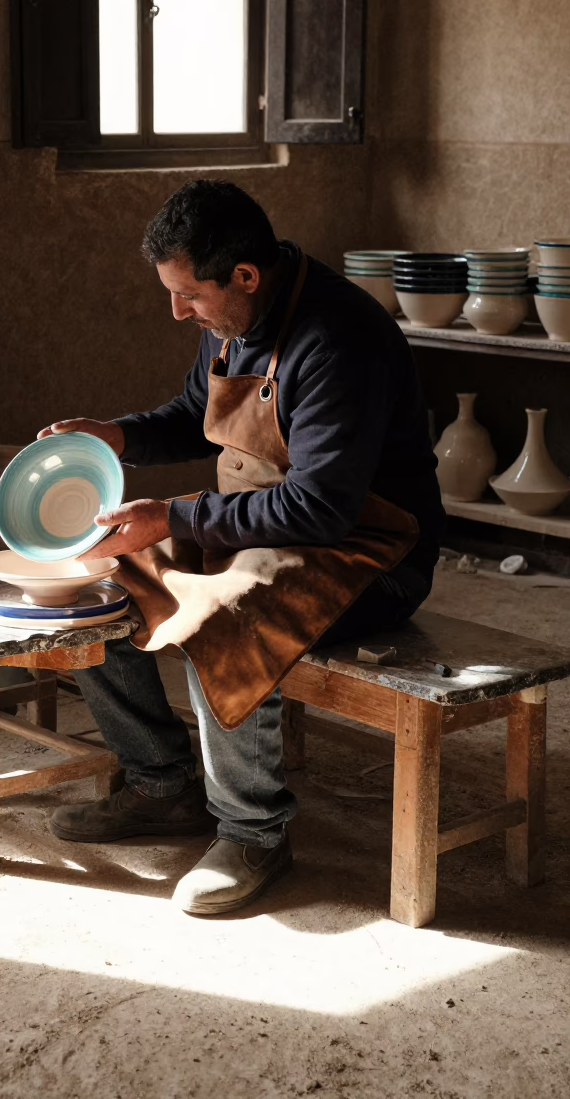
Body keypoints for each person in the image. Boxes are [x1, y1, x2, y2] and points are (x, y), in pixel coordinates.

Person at [38, 180, 444, 916]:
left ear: (245, 276)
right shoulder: (237, 314)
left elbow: (320, 510)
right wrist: (116, 434)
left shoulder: (337, 341)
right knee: (100, 573)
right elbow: (197, 411)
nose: (178, 311)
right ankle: (161, 784)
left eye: (188, 295)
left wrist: (174, 516)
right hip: (267, 526)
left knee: (224, 610)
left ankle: (253, 830)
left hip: (373, 549)